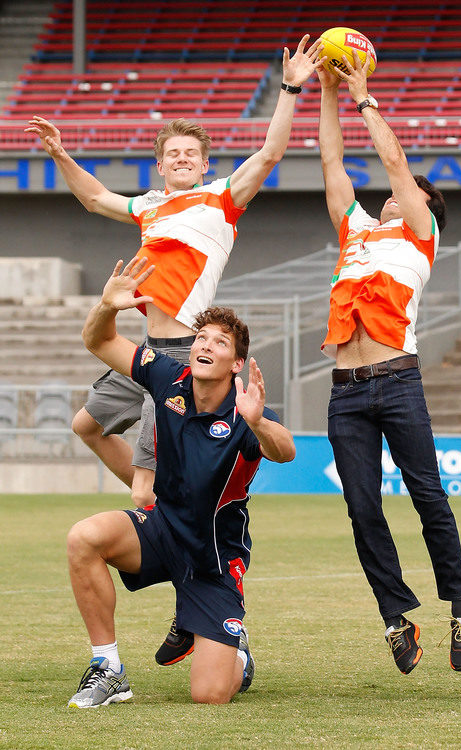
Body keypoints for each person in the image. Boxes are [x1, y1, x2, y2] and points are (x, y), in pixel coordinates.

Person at [25, 34, 322, 511]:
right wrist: (61, 154)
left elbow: (268, 154)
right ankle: (167, 498)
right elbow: (96, 198)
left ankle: (161, 507)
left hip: (184, 352)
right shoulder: (149, 207)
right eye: (173, 154)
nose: (182, 159)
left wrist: (289, 90)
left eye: (191, 154)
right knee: (85, 425)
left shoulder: (221, 200)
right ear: (160, 164)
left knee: (144, 489)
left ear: (205, 164)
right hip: (144, 348)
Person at [67, 256, 295, 707]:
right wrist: (107, 306)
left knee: (209, 697)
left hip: (214, 558)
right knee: (84, 538)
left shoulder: (245, 410)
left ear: (237, 362)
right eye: (202, 338)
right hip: (162, 529)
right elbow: (99, 340)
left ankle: (238, 656)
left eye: (220, 342)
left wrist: (259, 423)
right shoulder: (168, 375)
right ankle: (108, 668)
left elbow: (284, 451)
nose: (206, 345)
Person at [317, 49, 461, 674]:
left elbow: (394, 161)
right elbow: (333, 162)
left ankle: (460, 610)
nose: (389, 197)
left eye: (405, 195)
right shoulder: (356, 231)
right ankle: (395, 619)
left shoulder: (420, 235)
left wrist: (364, 97)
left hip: (398, 381)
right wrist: (327, 92)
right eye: (388, 196)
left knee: (428, 496)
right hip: (346, 389)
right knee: (362, 508)